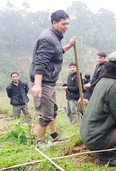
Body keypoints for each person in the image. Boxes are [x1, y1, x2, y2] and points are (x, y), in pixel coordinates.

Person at [29, 10, 77, 149]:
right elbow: (41, 62)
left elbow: (56, 52)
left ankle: (54, 135)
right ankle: (40, 142)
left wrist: (68, 45)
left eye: (68, 23)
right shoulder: (47, 38)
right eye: (63, 24)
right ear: (54, 23)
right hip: (43, 81)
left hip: (49, 81)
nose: (66, 26)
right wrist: (38, 84)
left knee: (53, 109)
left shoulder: (55, 37)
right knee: (46, 112)